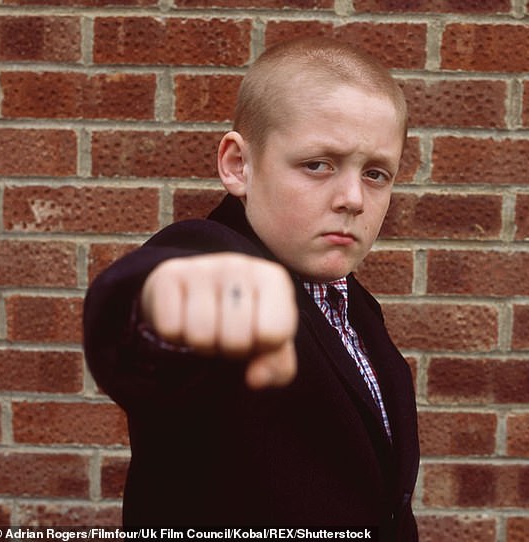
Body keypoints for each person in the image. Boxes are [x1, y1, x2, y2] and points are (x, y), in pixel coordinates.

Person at [83, 37, 420, 541]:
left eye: (376, 174)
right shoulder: (209, 255)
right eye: (318, 164)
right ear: (238, 165)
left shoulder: (356, 310)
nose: (353, 198)